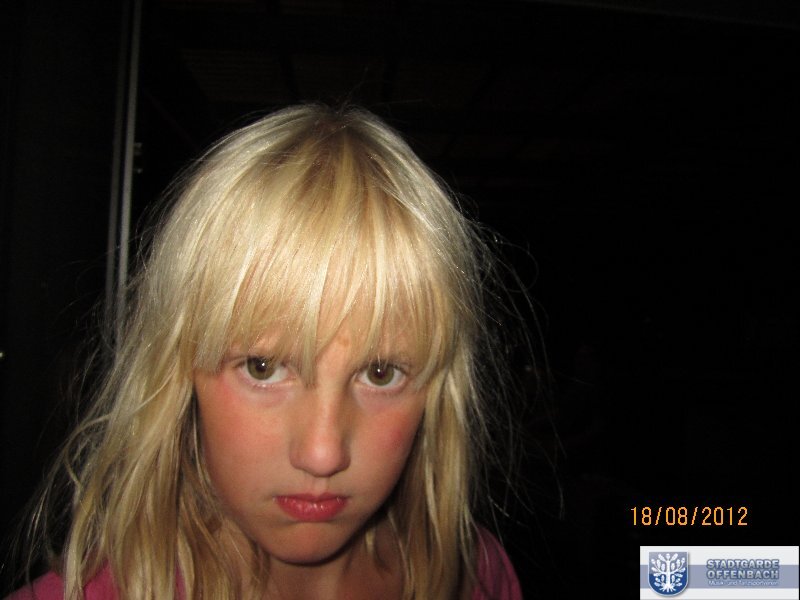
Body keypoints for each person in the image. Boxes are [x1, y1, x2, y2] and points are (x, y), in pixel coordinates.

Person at [4, 104, 528, 599]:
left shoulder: (476, 575)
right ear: (178, 371)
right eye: (263, 367)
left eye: (380, 372)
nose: (322, 454)